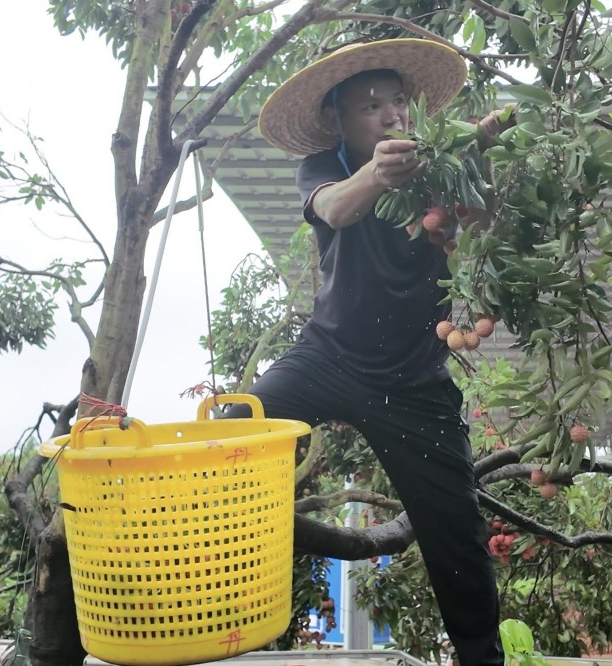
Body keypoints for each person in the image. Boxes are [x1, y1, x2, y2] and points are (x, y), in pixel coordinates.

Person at [224, 39, 506, 666]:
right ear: (339, 120)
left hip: (415, 382)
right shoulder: (322, 168)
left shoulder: (439, 165)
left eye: (398, 101)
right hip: (329, 358)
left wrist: (479, 159)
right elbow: (333, 208)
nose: (390, 115)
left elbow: (484, 227)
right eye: (370, 106)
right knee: (235, 425)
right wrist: (377, 174)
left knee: (457, 535)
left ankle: (482, 660)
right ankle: (214, 586)